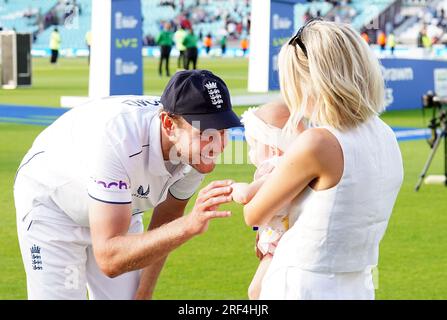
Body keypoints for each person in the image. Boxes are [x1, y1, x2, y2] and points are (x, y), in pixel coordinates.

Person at [14, 70, 242, 300]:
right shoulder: (118, 139)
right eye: (205, 132)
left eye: (223, 131)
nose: (218, 144)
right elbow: (109, 259)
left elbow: (167, 219)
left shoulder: (194, 152)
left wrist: (145, 289)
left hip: (121, 207)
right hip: (53, 207)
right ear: (169, 125)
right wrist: (190, 224)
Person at [241, 20, 404, 300]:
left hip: (302, 283)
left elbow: (254, 213)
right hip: (357, 281)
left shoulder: (319, 142)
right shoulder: (386, 135)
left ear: (312, 79)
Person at [231, 102, 302, 300]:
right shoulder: (295, 165)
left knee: (257, 291)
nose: (251, 153)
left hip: (281, 243)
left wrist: (233, 189)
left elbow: (247, 195)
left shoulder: (276, 166)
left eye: (254, 145)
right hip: (284, 238)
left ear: (271, 148)